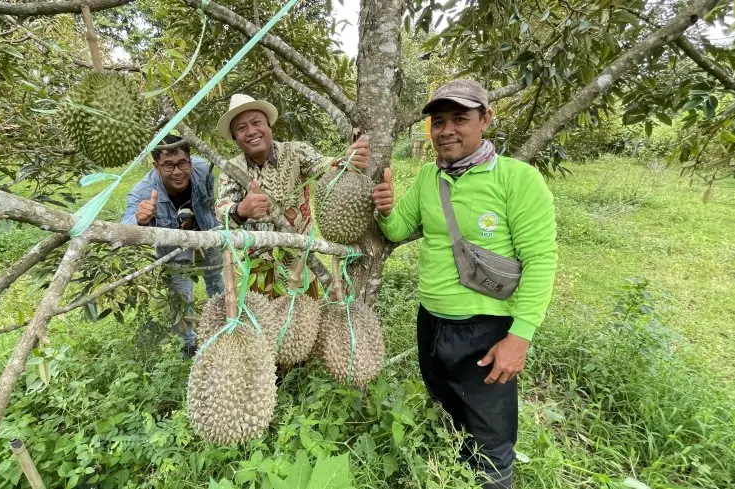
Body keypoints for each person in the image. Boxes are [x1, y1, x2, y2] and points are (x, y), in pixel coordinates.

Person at [372, 79, 558, 488]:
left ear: (485, 120)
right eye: (439, 122)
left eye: (460, 119)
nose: (447, 130)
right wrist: (385, 209)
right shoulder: (428, 177)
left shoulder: (517, 179)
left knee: (491, 436)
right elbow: (399, 229)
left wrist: (519, 338)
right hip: (431, 323)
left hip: (487, 330)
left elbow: (541, 261)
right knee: (452, 413)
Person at [214, 93, 370, 298]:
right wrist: (241, 210)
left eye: (256, 122)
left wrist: (346, 161)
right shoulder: (232, 170)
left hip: (301, 264)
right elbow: (222, 211)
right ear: (235, 138)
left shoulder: (297, 152)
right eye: (241, 128)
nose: (251, 131)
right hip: (259, 269)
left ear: (269, 126)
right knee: (262, 318)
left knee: (306, 316)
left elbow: (325, 167)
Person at [121, 134, 224, 356]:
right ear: (156, 166)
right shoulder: (143, 191)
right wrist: (139, 219)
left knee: (216, 278)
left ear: (190, 160)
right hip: (173, 245)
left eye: (182, 163)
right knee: (180, 293)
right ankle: (188, 345)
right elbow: (124, 227)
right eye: (168, 165)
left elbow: (211, 201)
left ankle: (223, 328)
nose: (177, 171)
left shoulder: (203, 169)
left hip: (207, 232)